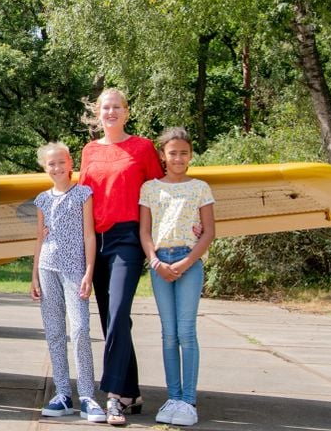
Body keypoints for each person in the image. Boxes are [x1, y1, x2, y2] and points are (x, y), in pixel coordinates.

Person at [78, 88, 163, 425]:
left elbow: (160, 194)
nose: (111, 112)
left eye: (117, 107)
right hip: (94, 240)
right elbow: (83, 198)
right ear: (97, 113)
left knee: (117, 314)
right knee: (112, 320)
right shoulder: (88, 150)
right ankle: (132, 391)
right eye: (105, 107)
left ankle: (114, 397)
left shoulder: (142, 148)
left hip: (127, 237)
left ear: (126, 112)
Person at [141, 128, 215, 427]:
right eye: (172, 153)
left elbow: (209, 232)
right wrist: (155, 261)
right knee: (168, 333)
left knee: (186, 332)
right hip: (160, 263)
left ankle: (188, 400)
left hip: (189, 262)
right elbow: (145, 231)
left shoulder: (200, 187)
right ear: (163, 155)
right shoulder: (150, 188)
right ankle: (172, 396)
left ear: (191, 155)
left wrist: (185, 263)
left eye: (184, 153)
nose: (178, 158)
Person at [30, 142, 106, 423]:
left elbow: (89, 236)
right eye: (51, 164)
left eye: (61, 162)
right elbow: (40, 238)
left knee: (81, 328)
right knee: (54, 331)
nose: (57, 168)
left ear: (70, 163)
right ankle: (63, 393)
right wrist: (34, 274)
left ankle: (87, 394)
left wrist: (89, 272)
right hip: (48, 268)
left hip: (75, 271)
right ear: (45, 168)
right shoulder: (42, 199)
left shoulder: (84, 194)